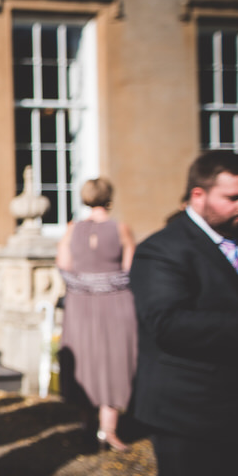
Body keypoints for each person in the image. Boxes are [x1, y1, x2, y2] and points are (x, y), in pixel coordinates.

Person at [129, 150, 238, 476]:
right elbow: (167, 324)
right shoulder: (163, 248)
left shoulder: (231, 237)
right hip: (187, 411)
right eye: (232, 197)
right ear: (198, 194)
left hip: (229, 405)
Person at [56, 177, 138, 452]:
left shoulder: (72, 229)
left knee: (85, 361)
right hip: (115, 303)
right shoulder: (121, 228)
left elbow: (64, 267)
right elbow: (130, 271)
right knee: (114, 362)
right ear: (109, 199)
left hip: (80, 304)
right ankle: (108, 430)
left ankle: (86, 424)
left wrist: (86, 283)